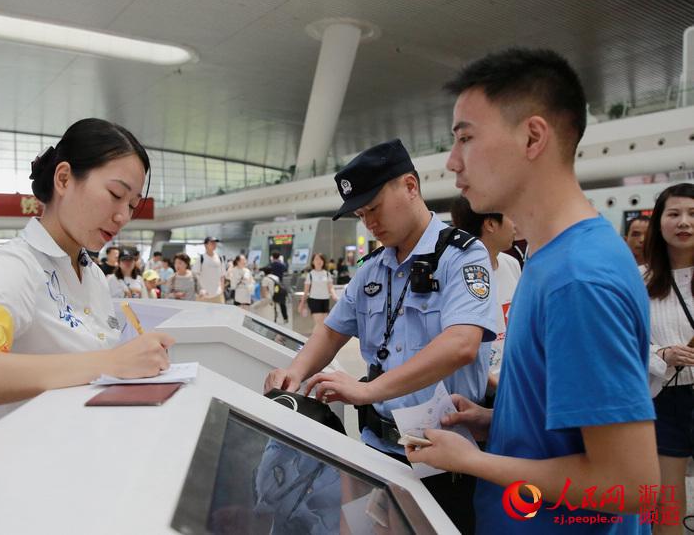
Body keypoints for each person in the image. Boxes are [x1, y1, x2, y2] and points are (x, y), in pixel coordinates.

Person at [405, 47, 659, 532]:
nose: (452, 162)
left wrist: (474, 462)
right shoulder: (551, 258)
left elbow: (627, 481)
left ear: (533, 137)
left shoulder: (578, 279)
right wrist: (497, 423)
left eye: (466, 138)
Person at [264, 138, 498, 533]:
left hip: (443, 458)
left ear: (410, 186)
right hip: (377, 449)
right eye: (360, 215)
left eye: (373, 208)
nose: (369, 222)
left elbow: (461, 344)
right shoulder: (372, 269)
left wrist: (371, 390)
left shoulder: (463, 256)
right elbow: (332, 331)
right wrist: (295, 371)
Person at [0, 118, 173, 424]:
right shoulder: (14, 265)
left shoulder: (93, 275)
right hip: (31, 460)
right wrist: (111, 362)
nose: (123, 215)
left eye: (132, 204)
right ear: (63, 179)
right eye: (114, 194)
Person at [641, 184, 694, 535]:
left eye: (692, 214)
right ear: (658, 222)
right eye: (673, 214)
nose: (684, 222)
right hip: (665, 399)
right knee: (667, 508)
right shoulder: (638, 279)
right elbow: (624, 342)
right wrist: (662, 355)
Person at [449, 196, 521, 396]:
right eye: (509, 216)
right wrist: (495, 384)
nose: (515, 223)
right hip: (479, 392)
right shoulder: (457, 274)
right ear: (490, 224)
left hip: (512, 384)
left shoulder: (511, 264)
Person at [297, 252, 338, 331]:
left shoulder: (327, 274)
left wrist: (334, 296)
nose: (319, 261)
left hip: (325, 300)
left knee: (325, 323)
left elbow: (331, 287)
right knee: (319, 323)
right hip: (314, 300)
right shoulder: (310, 274)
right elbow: (306, 291)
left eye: (321, 259)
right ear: (313, 262)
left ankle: (320, 341)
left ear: (323, 261)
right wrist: (302, 304)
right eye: (316, 259)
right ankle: (315, 341)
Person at [194, 236, 225, 303]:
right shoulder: (201, 258)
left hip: (217, 294)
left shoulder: (220, 258)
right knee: (202, 313)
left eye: (215, 243)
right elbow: (195, 275)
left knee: (220, 313)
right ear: (205, 245)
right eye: (212, 243)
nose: (214, 244)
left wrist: (222, 289)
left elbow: (222, 275)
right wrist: (199, 290)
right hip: (203, 295)